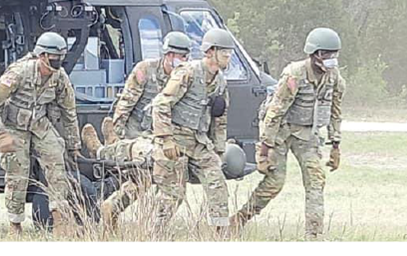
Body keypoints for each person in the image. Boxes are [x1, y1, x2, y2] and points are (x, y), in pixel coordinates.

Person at [232, 27, 346, 240]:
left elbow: (335, 111)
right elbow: (275, 112)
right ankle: (238, 220)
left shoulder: (334, 78)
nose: (331, 59)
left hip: (306, 134)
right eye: (326, 54)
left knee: (316, 181)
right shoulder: (294, 75)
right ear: (315, 54)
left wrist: (335, 145)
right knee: (274, 182)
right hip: (280, 132)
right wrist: (264, 151)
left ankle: (313, 236)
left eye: (334, 54)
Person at [82, 31, 192, 228]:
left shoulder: (186, 78)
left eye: (185, 57)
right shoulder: (145, 70)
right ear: (168, 55)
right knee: (144, 175)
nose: (183, 61)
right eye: (180, 56)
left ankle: (114, 208)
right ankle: (106, 149)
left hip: (161, 137)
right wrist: (116, 135)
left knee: (148, 178)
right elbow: (126, 102)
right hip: (137, 133)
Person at [0, 32, 81, 236]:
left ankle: (59, 220)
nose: (58, 62)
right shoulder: (19, 72)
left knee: (56, 162)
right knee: (17, 172)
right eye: (54, 58)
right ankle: (15, 225)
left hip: (39, 124)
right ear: (42, 56)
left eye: (61, 58)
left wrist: (73, 145)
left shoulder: (59, 77)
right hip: (14, 126)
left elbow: (69, 111)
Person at [150, 28, 235, 232]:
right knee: (173, 194)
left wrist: (219, 150)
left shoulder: (220, 82)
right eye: (224, 52)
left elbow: (220, 120)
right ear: (210, 52)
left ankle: (220, 234)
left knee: (218, 186)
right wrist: (166, 139)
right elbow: (161, 105)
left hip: (198, 142)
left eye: (229, 52)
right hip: (175, 139)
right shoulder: (188, 72)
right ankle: (154, 233)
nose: (228, 57)